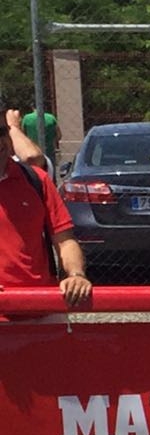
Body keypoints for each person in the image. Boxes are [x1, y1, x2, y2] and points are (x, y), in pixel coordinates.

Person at [0, 111, 91, 313]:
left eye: (1, 132)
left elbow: (65, 240)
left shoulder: (35, 180)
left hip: (42, 308)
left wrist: (76, 275)